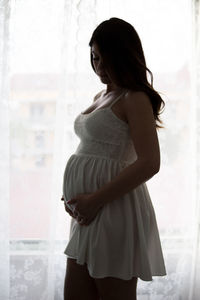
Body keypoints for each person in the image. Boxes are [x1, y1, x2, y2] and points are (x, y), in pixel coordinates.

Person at [61, 17, 167, 300]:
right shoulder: (101, 95)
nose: (100, 67)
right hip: (87, 213)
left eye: (108, 60)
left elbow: (149, 162)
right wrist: (75, 197)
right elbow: (93, 151)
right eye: (96, 58)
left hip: (113, 211)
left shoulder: (135, 98)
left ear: (126, 58)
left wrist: (94, 199)